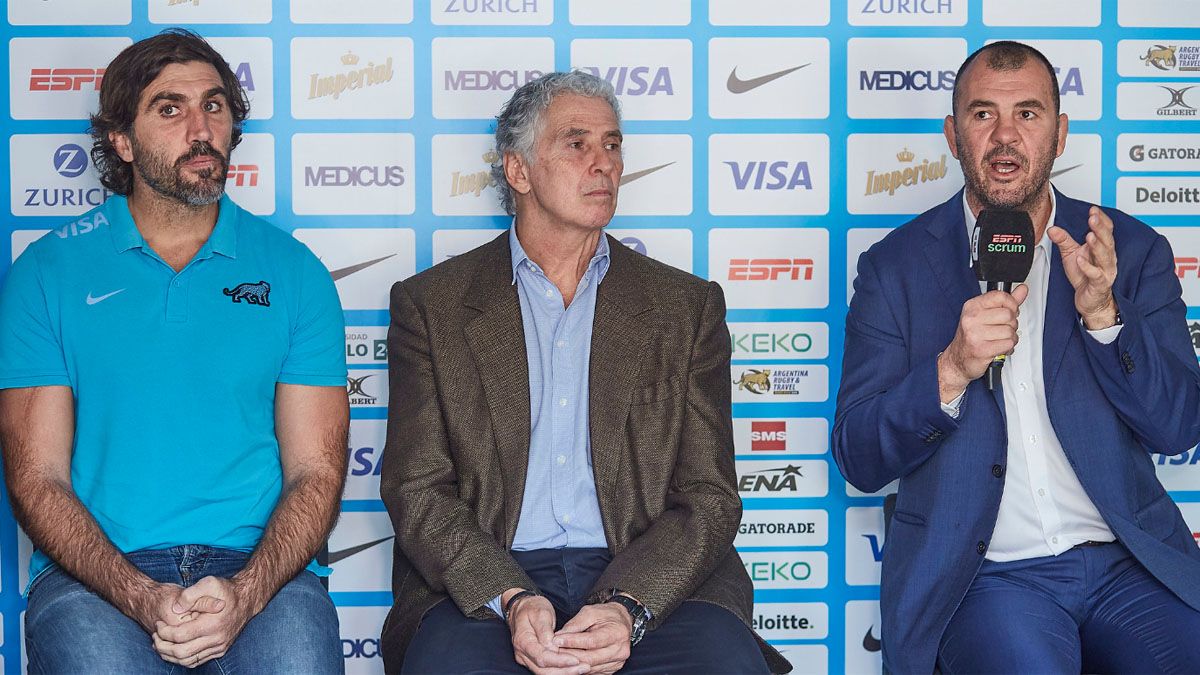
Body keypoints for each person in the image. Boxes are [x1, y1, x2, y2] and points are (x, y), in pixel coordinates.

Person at [379, 70, 790, 675]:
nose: (604, 164)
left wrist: (629, 604)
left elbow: (709, 495)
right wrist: (511, 597)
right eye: (576, 143)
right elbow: (416, 490)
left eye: (613, 144)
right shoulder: (431, 306)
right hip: (490, 580)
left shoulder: (686, 307)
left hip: (648, 575)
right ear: (517, 171)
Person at [834, 40, 1200, 674]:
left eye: (1028, 114)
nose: (1006, 137)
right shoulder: (893, 268)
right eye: (983, 115)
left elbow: (1178, 425)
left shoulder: (1128, 250)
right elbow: (858, 458)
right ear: (953, 135)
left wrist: (1105, 319)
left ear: (1059, 134)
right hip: (985, 578)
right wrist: (950, 368)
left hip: (1125, 562)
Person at [0, 29, 349, 673]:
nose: (201, 128)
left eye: (214, 106)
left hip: (258, 572)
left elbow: (317, 473)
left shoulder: (296, 272)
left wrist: (246, 593)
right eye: (171, 109)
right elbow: (36, 477)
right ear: (122, 141)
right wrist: (138, 592)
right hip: (97, 574)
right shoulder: (48, 271)